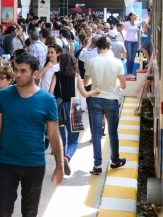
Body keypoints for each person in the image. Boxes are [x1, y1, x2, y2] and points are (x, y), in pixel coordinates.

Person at [0, 53, 63, 217]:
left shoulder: (47, 100)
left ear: (35, 74)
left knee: (30, 214)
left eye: (23, 71)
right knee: (3, 213)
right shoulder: (4, 96)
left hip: (34, 164)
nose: (18, 74)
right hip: (6, 163)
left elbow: (54, 134)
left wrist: (60, 165)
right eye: (16, 70)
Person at [49, 52, 100, 176]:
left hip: (59, 108)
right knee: (74, 141)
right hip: (74, 107)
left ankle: (61, 163)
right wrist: (95, 91)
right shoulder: (76, 75)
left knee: (61, 139)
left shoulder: (56, 75)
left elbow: (50, 93)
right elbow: (84, 94)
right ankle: (67, 158)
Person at [84, 37, 127, 175]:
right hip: (111, 100)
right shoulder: (117, 62)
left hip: (96, 100)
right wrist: (113, 83)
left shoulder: (91, 62)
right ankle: (115, 160)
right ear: (110, 47)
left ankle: (97, 165)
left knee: (96, 133)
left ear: (97, 48)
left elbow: (86, 83)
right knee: (113, 132)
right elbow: (123, 85)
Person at [123, 12, 140, 78]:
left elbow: (145, 21)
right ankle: (128, 73)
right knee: (129, 57)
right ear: (130, 16)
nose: (135, 16)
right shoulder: (126, 23)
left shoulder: (137, 23)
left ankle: (130, 73)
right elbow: (121, 29)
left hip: (135, 42)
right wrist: (124, 37)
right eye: (134, 15)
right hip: (128, 41)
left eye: (135, 15)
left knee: (133, 58)